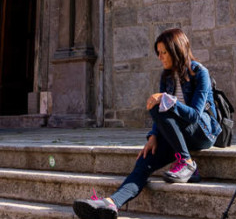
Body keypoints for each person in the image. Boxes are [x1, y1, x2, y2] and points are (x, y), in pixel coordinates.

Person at [72, 28, 221, 219]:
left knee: (159, 104)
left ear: (176, 50)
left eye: (163, 52)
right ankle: (111, 204)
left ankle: (187, 162)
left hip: (203, 132)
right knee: (144, 161)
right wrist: (153, 137)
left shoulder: (200, 73)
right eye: (158, 53)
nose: (160, 57)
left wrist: (167, 100)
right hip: (179, 136)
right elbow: (162, 112)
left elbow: (193, 116)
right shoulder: (166, 76)